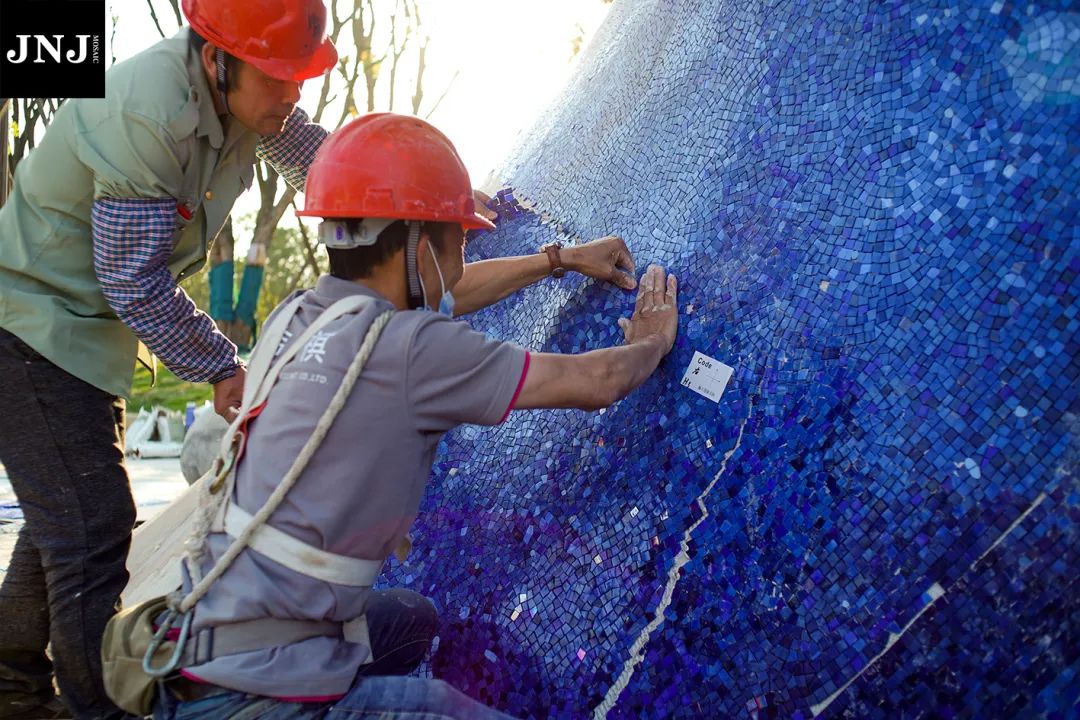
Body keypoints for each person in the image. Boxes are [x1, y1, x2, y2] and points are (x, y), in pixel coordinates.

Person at [152, 113, 678, 719]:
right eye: (458, 237)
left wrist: (555, 260)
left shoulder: (297, 319)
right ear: (416, 244)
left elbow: (448, 290)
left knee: (410, 621)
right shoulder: (409, 350)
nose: (464, 250)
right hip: (252, 699)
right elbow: (598, 381)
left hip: (191, 644)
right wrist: (652, 341)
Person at [0, 0, 342, 716]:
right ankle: (101, 707)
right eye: (277, 76)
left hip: (78, 325)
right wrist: (223, 364)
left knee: (63, 512)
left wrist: (418, 186)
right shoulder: (151, 113)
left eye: (299, 76)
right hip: (26, 315)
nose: (292, 93)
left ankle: (13, 690)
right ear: (219, 59)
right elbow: (133, 276)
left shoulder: (249, 105)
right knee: (91, 527)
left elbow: (314, 152)